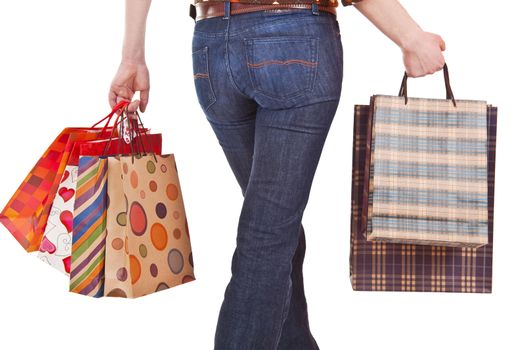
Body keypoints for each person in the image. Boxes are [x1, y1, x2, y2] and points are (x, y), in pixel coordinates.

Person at [108, 0, 446, 348]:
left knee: (275, 228)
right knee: (268, 236)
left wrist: (132, 57)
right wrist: (411, 38)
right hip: (294, 43)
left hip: (212, 50)